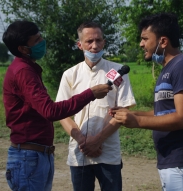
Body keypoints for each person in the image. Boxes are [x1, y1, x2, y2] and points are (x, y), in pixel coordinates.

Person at [2, 20, 112, 191]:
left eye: (40, 37)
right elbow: (50, 111)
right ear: (23, 49)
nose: (42, 42)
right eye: (36, 41)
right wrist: (90, 94)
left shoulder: (29, 69)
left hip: (38, 155)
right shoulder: (23, 72)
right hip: (29, 157)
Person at [111, 13, 183, 191]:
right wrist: (132, 113)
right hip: (171, 160)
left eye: (145, 39)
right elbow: (163, 111)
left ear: (163, 41)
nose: (141, 44)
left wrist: (137, 122)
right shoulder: (168, 68)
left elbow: (182, 118)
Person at [55, 21, 136, 191]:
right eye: (89, 41)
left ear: (104, 42)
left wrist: (97, 140)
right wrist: (82, 140)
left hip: (108, 152)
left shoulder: (118, 71)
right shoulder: (70, 74)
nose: (94, 46)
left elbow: (123, 110)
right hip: (80, 151)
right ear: (80, 45)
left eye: (98, 40)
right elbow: (62, 113)